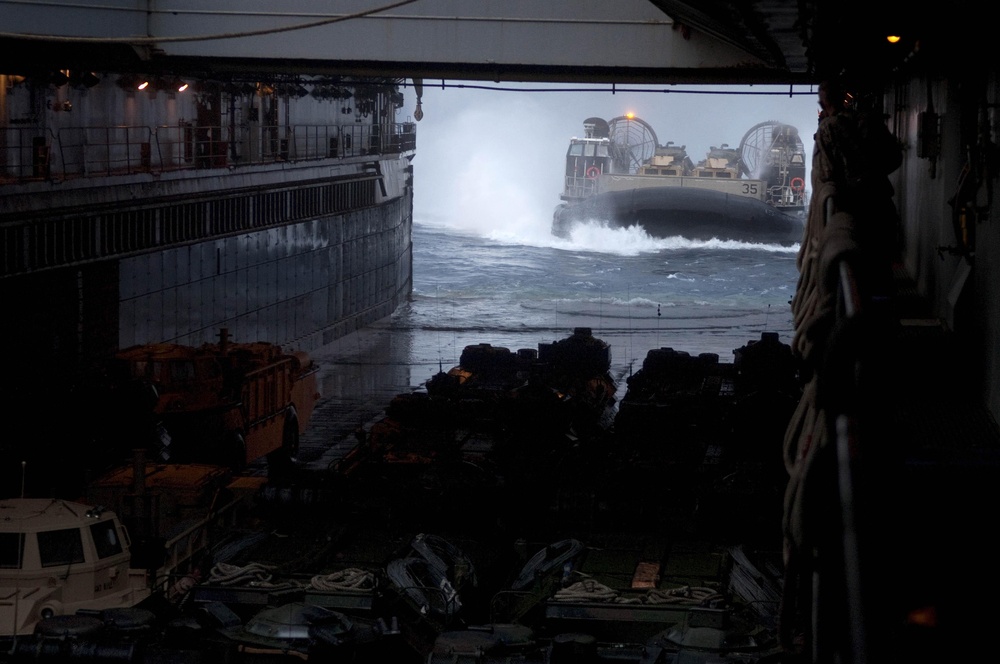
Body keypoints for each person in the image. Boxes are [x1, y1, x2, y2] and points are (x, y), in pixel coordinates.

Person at [812, 79, 903, 296]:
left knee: (856, 276)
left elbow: (826, 174)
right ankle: (886, 318)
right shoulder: (867, 120)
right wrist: (871, 175)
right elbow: (894, 158)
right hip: (881, 206)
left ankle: (858, 318)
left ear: (823, 102)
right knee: (882, 269)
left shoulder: (828, 128)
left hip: (852, 211)